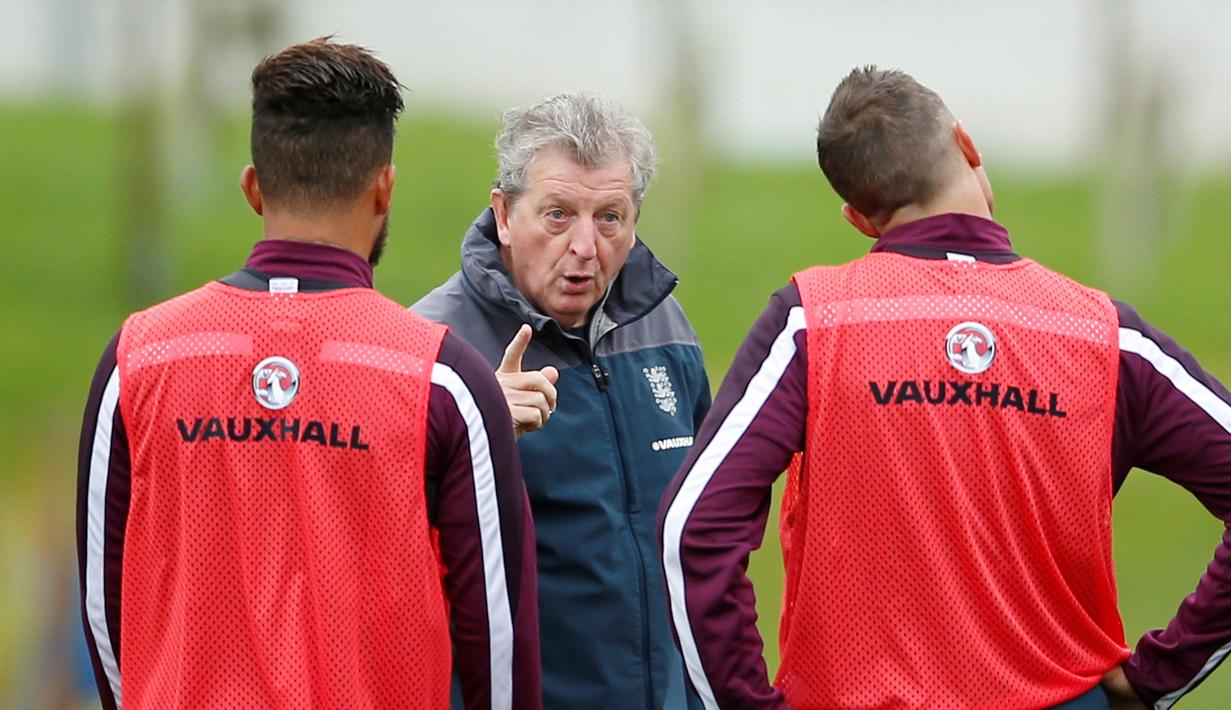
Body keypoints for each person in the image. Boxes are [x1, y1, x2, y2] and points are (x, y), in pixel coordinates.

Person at [659, 66, 1231, 709]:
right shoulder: (1103, 337)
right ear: (966, 145)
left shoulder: (813, 323)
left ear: (858, 218)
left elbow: (694, 527)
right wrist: (1163, 674)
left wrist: (743, 702)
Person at [76, 37, 540, 710]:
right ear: (384, 188)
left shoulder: (137, 359)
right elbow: (497, 643)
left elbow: (99, 606)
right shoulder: (446, 383)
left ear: (253, 188)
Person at [413, 92, 711, 709]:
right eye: (557, 215)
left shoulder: (665, 327)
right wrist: (468, 426)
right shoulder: (432, 349)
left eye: (610, 217)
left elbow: (705, 533)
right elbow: (374, 539)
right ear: (503, 214)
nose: (584, 246)